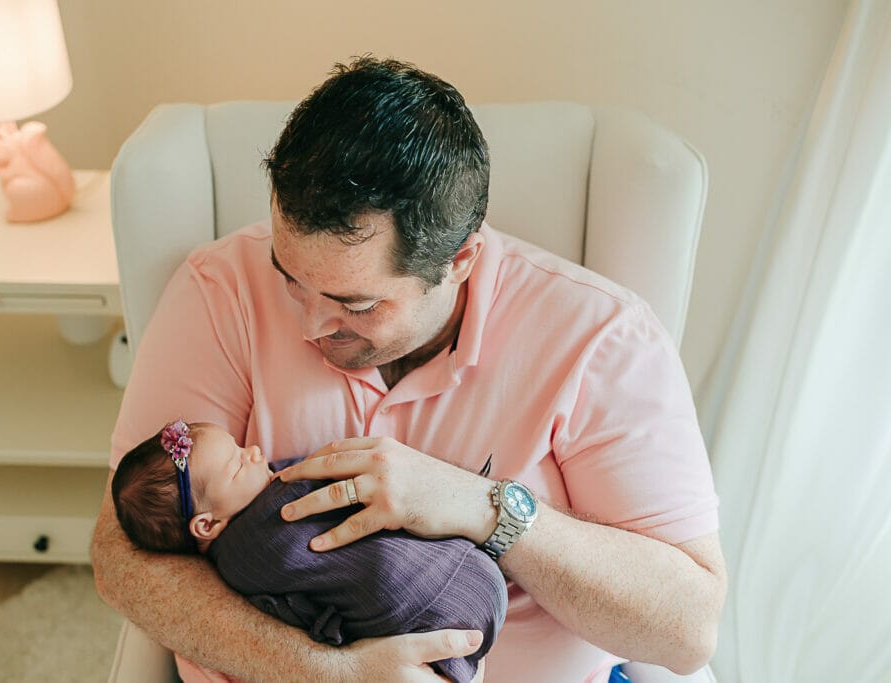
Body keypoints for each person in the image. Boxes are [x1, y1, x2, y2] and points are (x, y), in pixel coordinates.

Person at [92, 56, 727, 683]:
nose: (308, 325)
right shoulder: (221, 288)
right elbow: (121, 556)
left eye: (355, 304)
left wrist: (486, 508)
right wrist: (328, 673)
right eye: (290, 279)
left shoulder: (601, 337)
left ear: (460, 260)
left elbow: (688, 630)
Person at [111, 419, 506, 683]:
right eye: (238, 465)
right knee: (386, 571)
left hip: (442, 631)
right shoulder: (274, 512)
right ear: (207, 524)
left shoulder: (230, 571)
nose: (255, 452)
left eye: (241, 446)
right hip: (443, 587)